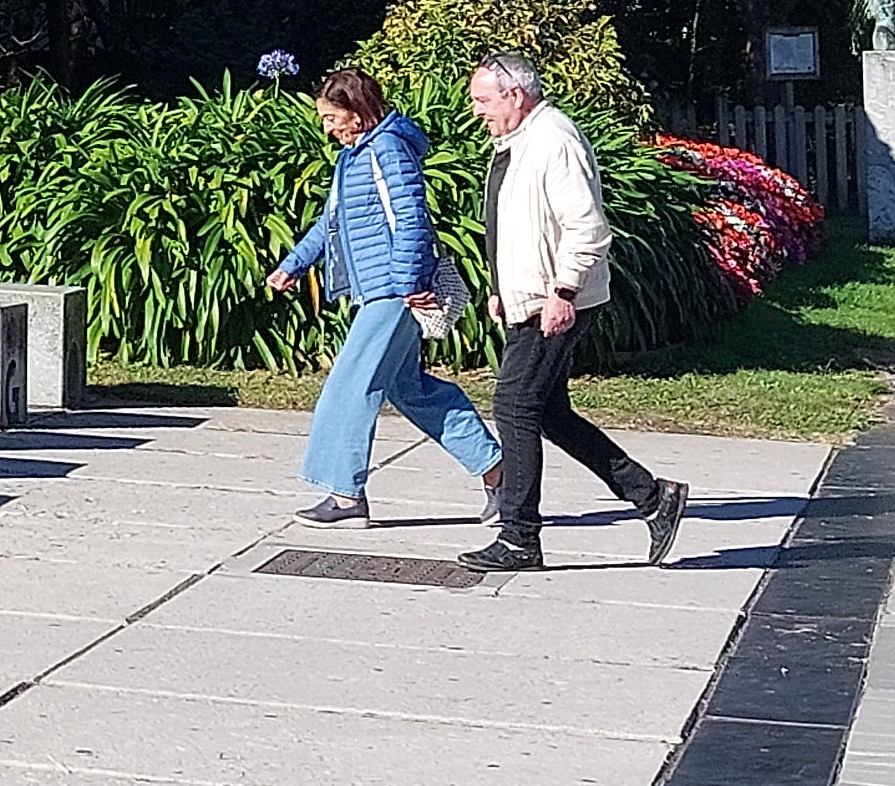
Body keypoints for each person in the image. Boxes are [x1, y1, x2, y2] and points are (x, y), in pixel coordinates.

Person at [461, 52, 688, 573]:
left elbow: (586, 227)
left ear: (515, 95)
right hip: (533, 298)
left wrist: (562, 292)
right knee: (547, 413)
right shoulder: (519, 141)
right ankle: (653, 497)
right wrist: (502, 289)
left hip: (556, 301)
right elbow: (519, 227)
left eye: (483, 100)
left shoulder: (554, 140)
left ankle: (519, 538)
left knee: (514, 407)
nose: (477, 110)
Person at [264, 66, 502, 525]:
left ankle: (346, 497)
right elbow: (331, 221)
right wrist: (294, 264)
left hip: (393, 291)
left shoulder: (387, 149)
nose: (327, 128)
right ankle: (499, 473)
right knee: (410, 389)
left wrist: (409, 284)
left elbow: (411, 217)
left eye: (332, 117)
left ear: (357, 112)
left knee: (349, 386)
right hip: (384, 288)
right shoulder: (355, 156)